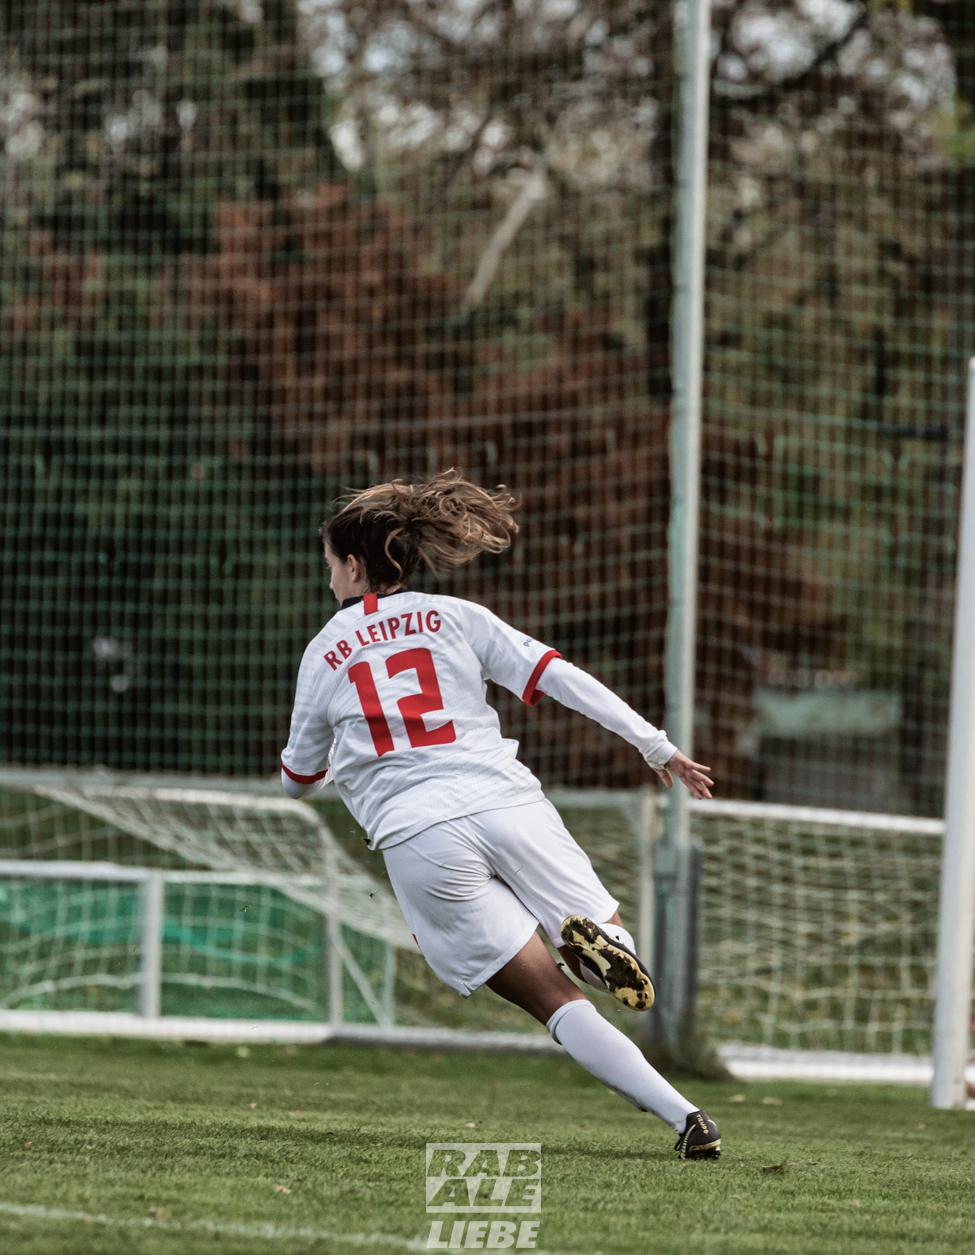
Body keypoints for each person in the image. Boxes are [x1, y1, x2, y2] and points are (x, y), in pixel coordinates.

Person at [279, 472, 721, 1159]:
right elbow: (559, 676)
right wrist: (656, 746)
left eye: (331, 564)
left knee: (552, 999)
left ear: (355, 565)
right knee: (600, 928)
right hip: (504, 801)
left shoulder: (324, 653)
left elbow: (297, 780)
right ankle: (607, 947)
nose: (330, 576)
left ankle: (684, 1116)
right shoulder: (459, 618)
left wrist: (326, 767)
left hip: (420, 835)